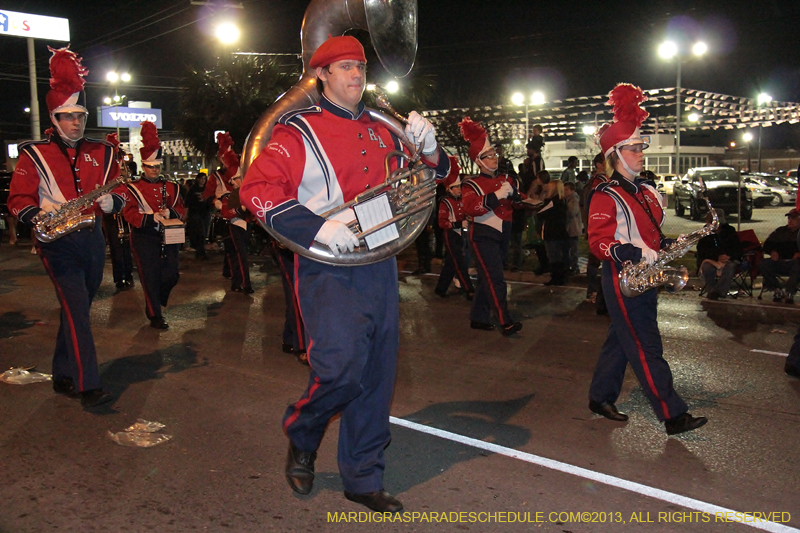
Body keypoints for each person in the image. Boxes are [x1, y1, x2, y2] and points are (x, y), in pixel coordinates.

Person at [239, 35, 450, 513]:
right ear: (323, 76)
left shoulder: (384, 127)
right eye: (344, 67)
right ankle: (303, 429)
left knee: (377, 373)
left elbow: (434, 181)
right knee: (341, 370)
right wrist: (315, 227)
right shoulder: (298, 132)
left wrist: (432, 151)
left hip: (380, 262)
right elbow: (256, 190)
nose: (356, 74)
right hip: (326, 266)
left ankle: (362, 476)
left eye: (360, 66)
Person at [587, 83, 707, 436]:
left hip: (647, 277)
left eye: (641, 147)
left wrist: (668, 243)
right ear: (616, 153)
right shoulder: (605, 194)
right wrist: (621, 250)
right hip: (623, 278)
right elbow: (598, 241)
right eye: (635, 148)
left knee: (622, 340)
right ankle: (673, 414)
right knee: (645, 345)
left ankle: (600, 396)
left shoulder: (645, 192)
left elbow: (650, 235)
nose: (641, 153)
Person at [7, 46, 122, 408]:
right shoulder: (34, 154)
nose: (76, 122)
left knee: (77, 310)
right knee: (77, 309)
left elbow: (122, 193)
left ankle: (62, 372)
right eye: (68, 116)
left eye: (80, 115)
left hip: (91, 239)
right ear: (55, 118)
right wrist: (37, 213)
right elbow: (17, 199)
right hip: (56, 242)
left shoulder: (103, 152)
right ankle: (88, 382)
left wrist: (112, 202)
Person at [459, 117, 523, 336]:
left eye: (495, 154)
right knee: (495, 279)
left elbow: (521, 201)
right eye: (489, 156)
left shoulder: (506, 178)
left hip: (504, 233)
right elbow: (470, 207)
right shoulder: (471, 183)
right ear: (479, 160)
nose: (494, 158)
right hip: (483, 234)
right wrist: (496, 196)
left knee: (488, 277)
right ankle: (505, 321)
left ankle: (478, 316)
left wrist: (519, 196)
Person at [122, 121, 186, 330]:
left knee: (172, 273)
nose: (154, 170)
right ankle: (154, 314)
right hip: (144, 235)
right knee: (149, 276)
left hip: (170, 235)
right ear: (143, 166)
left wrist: (171, 212)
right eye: (150, 167)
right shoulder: (133, 188)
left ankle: (159, 297)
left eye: (157, 167)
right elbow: (129, 213)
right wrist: (150, 218)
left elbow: (182, 210)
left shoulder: (171, 187)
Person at [434, 156, 474, 299]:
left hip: (460, 234)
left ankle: (441, 288)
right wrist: (458, 224)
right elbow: (442, 222)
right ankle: (469, 289)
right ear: (449, 189)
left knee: (451, 262)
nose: (459, 189)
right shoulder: (445, 202)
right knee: (459, 262)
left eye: (459, 186)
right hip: (451, 234)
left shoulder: (461, 200)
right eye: (456, 187)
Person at [695, 209, 742, 300]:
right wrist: (717, 257)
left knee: (730, 267)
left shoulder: (730, 231)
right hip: (711, 259)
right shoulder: (705, 233)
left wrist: (728, 256)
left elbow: (737, 248)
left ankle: (718, 291)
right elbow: (702, 250)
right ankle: (712, 291)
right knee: (707, 268)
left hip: (729, 259)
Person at [759, 208, 800, 304]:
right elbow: (767, 245)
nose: (790, 221)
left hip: (794, 262)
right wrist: (773, 251)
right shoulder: (780, 231)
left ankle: (789, 291)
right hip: (779, 261)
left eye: (793, 219)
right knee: (763, 264)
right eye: (789, 218)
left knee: (798, 266)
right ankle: (777, 289)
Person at [537, 178, 569, 286]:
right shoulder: (562, 201)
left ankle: (556, 278)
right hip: (561, 231)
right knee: (559, 255)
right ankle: (561, 277)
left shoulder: (551, 201)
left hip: (551, 232)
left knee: (553, 256)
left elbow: (540, 213)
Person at [185, 172, 211, 259]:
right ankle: (200, 252)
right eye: (201, 178)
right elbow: (187, 203)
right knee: (200, 232)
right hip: (196, 213)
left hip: (205, 212)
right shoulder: (193, 189)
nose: (203, 181)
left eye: (204, 179)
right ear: (198, 179)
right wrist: (186, 214)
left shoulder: (207, 189)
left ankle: (200, 252)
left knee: (204, 232)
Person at [564, 181, 583, 274]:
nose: (565, 192)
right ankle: (571, 266)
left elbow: (572, 211)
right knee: (569, 248)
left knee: (573, 249)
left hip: (573, 228)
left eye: (566, 190)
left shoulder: (573, 199)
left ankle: (575, 267)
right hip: (570, 228)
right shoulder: (568, 199)